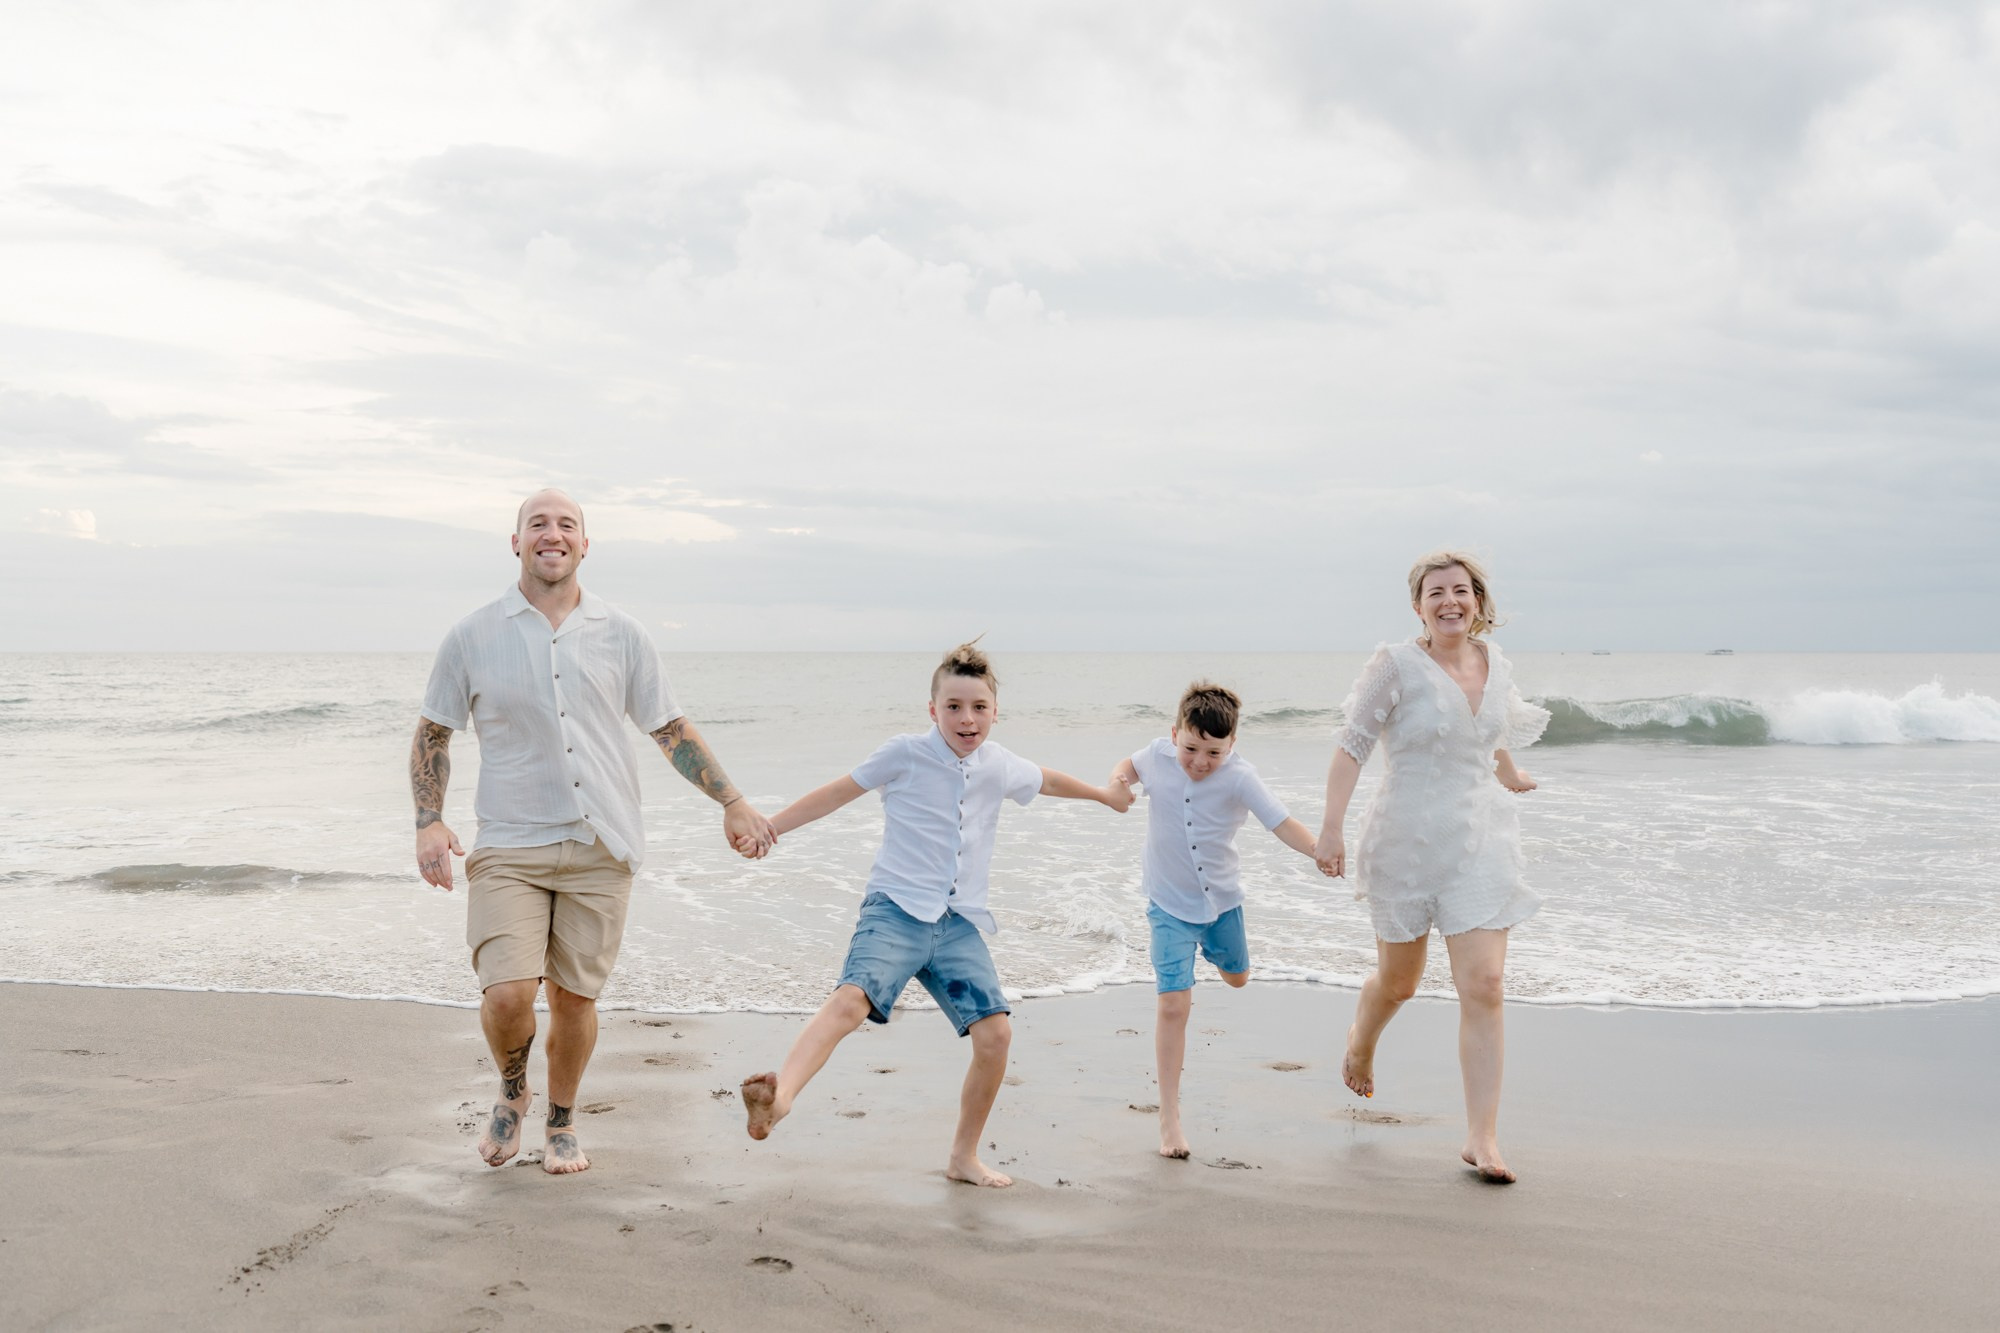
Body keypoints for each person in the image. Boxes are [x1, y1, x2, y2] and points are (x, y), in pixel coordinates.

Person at [410, 488, 774, 1176]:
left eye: (566, 524)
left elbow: (669, 728)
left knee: (575, 998)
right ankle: (514, 1090)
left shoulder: (622, 632)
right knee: (509, 993)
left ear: (585, 544)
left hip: (601, 845)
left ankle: (562, 1119)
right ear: (515, 542)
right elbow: (434, 730)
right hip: (510, 845)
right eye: (537, 523)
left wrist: (731, 800)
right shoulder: (472, 634)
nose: (553, 533)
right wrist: (429, 819)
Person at [738, 641, 1133, 1187]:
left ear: (995, 712)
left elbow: (1048, 780)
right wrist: (771, 828)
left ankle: (963, 1157)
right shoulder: (903, 753)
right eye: (953, 706)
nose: (966, 719)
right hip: (895, 910)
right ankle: (779, 1100)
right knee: (851, 1001)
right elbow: (837, 793)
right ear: (932, 710)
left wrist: (1105, 797)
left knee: (995, 1035)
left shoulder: (999, 764)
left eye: (978, 707)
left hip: (955, 925)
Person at [1314, 551, 1548, 1183]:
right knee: (1400, 983)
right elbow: (1351, 748)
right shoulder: (1394, 665)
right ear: (1418, 605)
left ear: (1478, 600)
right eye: (1436, 591)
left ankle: (1482, 1137)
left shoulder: (1495, 663)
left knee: (1485, 986)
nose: (1451, 600)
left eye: (1462, 590)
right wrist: (1330, 829)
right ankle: (1362, 1037)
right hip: (1406, 843)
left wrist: (1510, 773)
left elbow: (1487, 730)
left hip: (1480, 840)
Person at [1110, 682, 1324, 1159]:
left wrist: (1318, 850)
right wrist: (1118, 783)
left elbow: (1281, 821)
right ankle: (1169, 1118)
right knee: (1172, 1006)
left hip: (1222, 905)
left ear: (1232, 746)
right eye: (1190, 748)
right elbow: (1129, 765)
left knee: (1238, 978)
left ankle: (1214, 955)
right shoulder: (1156, 756)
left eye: (1214, 752)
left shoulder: (1241, 778)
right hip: (1167, 905)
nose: (1200, 761)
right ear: (1174, 735)